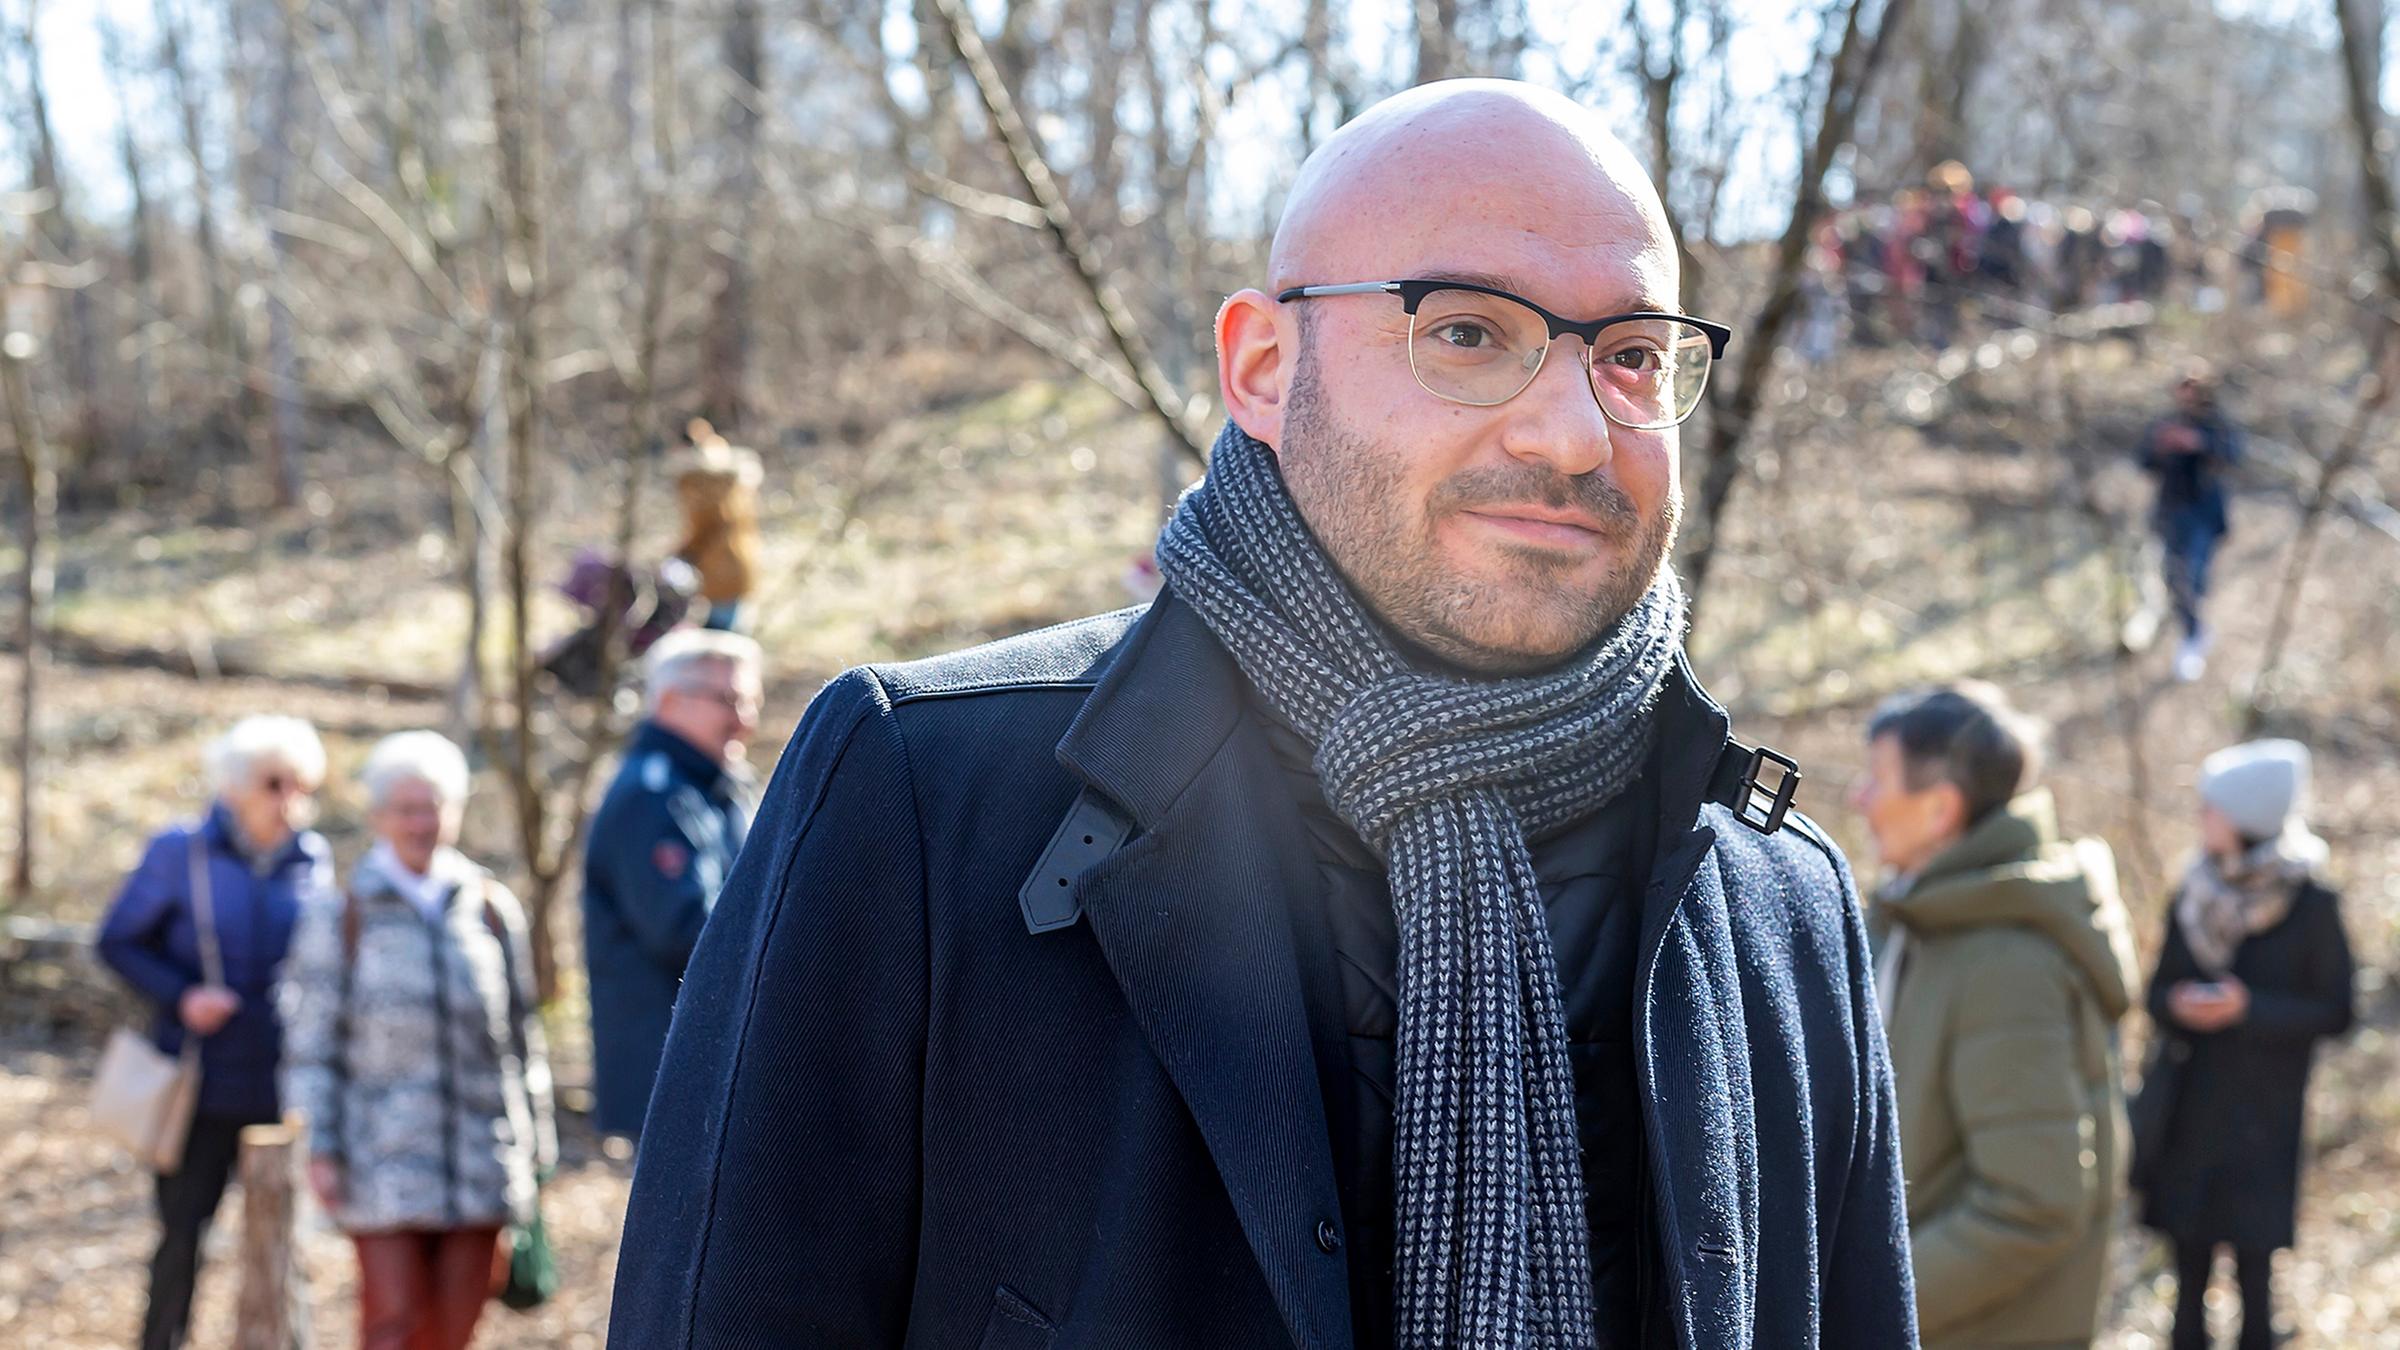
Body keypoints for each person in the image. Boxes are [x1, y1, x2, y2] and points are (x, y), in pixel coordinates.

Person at [608, 79, 1914, 1349]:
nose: (1574, 432)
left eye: (1631, 355)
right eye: (1466, 331)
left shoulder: (1777, 899)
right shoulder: (923, 803)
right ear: (1262, 365)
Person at [1848, 684, 2137, 1349]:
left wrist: (1866, 1301)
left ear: (1941, 808)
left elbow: (2031, 1204)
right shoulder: (1913, 919)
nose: (1860, 799)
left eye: (1877, 780)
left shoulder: (2008, 960)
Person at [280, 730, 554, 1350]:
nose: (421, 822)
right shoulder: (342, 914)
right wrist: (318, 1148)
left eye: (433, 806)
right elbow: (311, 1046)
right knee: (394, 1322)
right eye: (406, 808)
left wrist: (537, 1150)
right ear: (378, 816)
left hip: (480, 1162)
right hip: (381, 1165)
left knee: (457, 1326)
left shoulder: (489, 908)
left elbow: (521, 1039)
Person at [98, 715, 332, 1350]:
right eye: (274, 783)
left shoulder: (313, 858)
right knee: (182, 1237)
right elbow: (117, 940)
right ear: (235, 786)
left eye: (302, 785)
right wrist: (183, 995)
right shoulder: (180, 853)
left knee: (283, 1242)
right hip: (196, 1087)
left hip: (280, 1087)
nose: (290, 800)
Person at [2134, 739, 2353, 1350]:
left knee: (2256, 1283)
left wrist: (2249, 1009)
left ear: (2248, 817)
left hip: (2265, 1114)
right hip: (2190, 1108)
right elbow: (2155, 993)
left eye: (2212, 808)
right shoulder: (2193, 893)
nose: (2201, 818)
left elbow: (2337, 1010)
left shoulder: (2311, 901)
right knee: (2186, 1281)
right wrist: (2177, 1005)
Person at [581, 627, 759, 1141]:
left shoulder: (716, 787)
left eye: (751, 700)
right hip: (673, 1067)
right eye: (725, 699)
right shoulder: (652, 795)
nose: (743, 719)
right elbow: (685, 931)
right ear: (669, 700)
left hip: (713, 1062)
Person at [2137, 364, 2242, 681]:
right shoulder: (2165, 423)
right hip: (2171, 511)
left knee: (2192, 575)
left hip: (2203, 514)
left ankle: (2194, 635)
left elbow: (2233, 456)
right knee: (2174, 576)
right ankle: (2191, 631)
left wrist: (2199, 444)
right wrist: (2163, 446)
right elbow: (2143, 460)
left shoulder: (2217, 425)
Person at [669, 419, 764, 632]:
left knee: (720, 641)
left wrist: (681, 554)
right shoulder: (733, 480)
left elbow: (704, 530)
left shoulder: (699, 484)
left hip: (721, 571)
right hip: (740, 565)